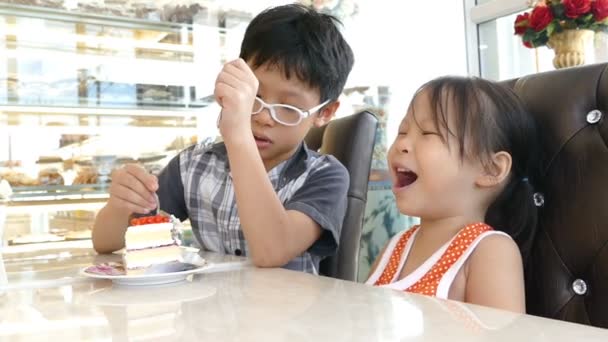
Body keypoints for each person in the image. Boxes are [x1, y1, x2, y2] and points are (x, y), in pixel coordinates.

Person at [92, 4, 355, 274]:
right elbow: (105, 243)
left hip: (285, 314)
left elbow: (272, 251)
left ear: (324, 112)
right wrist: (119, 205)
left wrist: (238, 136)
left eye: (288, 108)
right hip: (209, 312)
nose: (264, 118)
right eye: (255, 97)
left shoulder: (326, 176)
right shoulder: (194, 165)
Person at [366, 76, 540, 312]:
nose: (402, 144)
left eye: (428, 133)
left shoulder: (490, 251)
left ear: (491, 169)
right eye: (402, 131)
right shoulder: (395, 247)